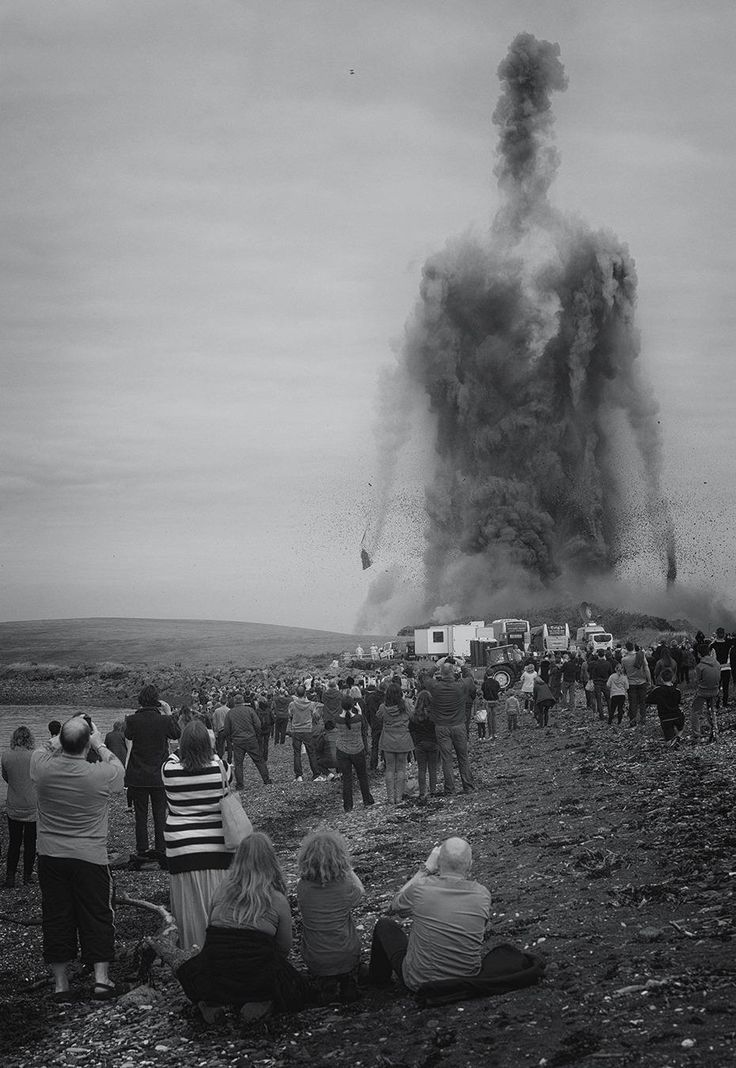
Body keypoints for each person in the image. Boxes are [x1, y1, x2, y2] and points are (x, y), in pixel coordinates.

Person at [170, 832, 313, 1023]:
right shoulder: (277, 899)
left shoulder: (222, 889)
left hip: (217, 970)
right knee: (296, 986)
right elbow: (284, 947)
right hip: (254, 973)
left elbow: (210, 930)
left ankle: (213, 1003)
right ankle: (258, 1001)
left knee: (195, 973)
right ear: (271, 860)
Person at [30, 716, 125, 1000]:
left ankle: (61, 984)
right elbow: (119, 769)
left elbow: (43, 749)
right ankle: (101, 979)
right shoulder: (100, 774)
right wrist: (99, 743)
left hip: (51, 855)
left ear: (62, 742)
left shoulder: (41, 768)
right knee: (97, 914)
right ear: (87, 745)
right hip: (89, 856)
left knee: (56, 915)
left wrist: (63, 735)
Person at [367, 837, 491, 991]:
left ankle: (377, 984)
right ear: (470, 865)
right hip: (466, 979)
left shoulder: (421, 888)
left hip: (422, 983)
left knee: (385, 925)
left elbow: (394, 907)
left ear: (438, 864)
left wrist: (424, 869)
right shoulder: (482, 895)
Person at [162, 720, 233, 951]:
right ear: (208, 745)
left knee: (189, 907)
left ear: (182, 745)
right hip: (218, 846)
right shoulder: (221, 769)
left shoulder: (169, 772)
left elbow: (172, 757)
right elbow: (218, 765)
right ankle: (221, 947)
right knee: (219, 903)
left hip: (181, 848)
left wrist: (182, 749)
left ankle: (193, 949)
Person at [296, 828, 365, 1002]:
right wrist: (348, 869)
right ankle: (347, 980)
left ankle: (327, 983)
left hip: (316, 958)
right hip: (345, 953)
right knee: (346, 940)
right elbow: (361, 891)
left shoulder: (302, 888)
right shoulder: (344, 886)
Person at [125, 684, 180, 867]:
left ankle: (142, 849)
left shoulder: (132, 719)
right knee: (159, 813)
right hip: (158, 773)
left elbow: (129, 736)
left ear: (140, 700)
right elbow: (176, 734)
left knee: (140, 815)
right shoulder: (163, 721)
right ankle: (161, 848)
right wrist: (168, 713)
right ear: (157, 700)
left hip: (138, 774)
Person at [421, 663, 475, 795]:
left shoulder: (435, 687)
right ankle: (467, 786)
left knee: (447, 759)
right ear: (453, 672)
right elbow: (470, 677)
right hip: (459, 725)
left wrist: (435, 665)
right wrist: (462, 665)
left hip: (441, 726)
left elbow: (425, 677)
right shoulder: (460, 686)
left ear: (441, 673)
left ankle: (450, 789)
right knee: (463, 757)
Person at [2, 726, 37, 888]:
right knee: (30, 843)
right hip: (32, 805)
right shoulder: (35, 756)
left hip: (14, 805)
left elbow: (6, 776)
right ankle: (27, 876)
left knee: (14, 842)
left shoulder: (6, 756)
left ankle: (10, 876)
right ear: (30, 739)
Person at [335, 696, 374, 811]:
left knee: (347, 779)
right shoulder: (358, 718)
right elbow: (363, 726)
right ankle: (366, 799)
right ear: (353, 706)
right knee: (362, 776)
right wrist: (360, 710)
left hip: (342, 750)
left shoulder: (336, 719)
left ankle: (348, 805)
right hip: (358, 749)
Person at [225, 694, 271, 788]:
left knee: (238, 763)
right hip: (250, 739)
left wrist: (230, 739)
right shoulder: (249, 710)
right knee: (259, 760)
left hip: (238, 741)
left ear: (234, 702)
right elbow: (258, 724)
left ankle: (240, 784)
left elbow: (227, 729)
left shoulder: (230, 713)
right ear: (242, 701)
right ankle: (266, 780)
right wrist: (257, 735)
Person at [378, 683, 413, 805]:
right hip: (403, 739)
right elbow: (412, 716)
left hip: (388, 740)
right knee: (401, 768)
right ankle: (399, 797)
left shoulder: (383, 707)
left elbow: (378, 716)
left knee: (390, 769)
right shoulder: (406, 706)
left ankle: (390, 798)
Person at [287, 685, 321, 782]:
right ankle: (316, 774)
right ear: (305, 693)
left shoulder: (292, 705)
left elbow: (290, 715)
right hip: (307, 729)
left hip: (296, 730)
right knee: (311, 752)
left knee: (297, 753)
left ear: (296, 694)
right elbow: (317, 716)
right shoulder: (311, 705)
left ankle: (299, 776)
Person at [690, 646, 721, 744]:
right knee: (712, 711)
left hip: (703, 691)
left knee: (695, 712)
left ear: (699, 654)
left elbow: (698, 681)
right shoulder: (717, 663)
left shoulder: (700, 666)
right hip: (714, 691)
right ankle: (715, 732)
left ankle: (696, 736)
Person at [645, 668, 684, 745]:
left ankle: (671, 741)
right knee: (681, 728)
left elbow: (648, 700)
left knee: (668, 740)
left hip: (665, 717)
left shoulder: (657, 691)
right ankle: (678, 737)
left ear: (661, 679)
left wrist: (657, 701)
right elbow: (679, 702)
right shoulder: (677, 691)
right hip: (677, 715)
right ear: (672, 678)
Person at [621, 642, 651, 726]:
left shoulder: (624, 659)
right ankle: (643, 718)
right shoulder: (641, 656)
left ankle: (633, 720)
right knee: (642, 701)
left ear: (626, 649)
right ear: (634, 647)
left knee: (632, 702)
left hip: (631, 683)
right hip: (642, 682)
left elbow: (623, 672)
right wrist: (649, 680)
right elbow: (646, 669)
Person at [710, 628, 733, 708]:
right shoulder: (728, 643)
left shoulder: (713, 645)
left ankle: (717, 704)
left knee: (717, 687)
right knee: (726, 687)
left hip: (717, 669)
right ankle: (725, 703)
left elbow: (711, 657)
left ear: (716, 634)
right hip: (726, 668)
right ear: (724, 634)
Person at [480, 671, 501, 742]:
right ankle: (495, 733)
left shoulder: (484, 683)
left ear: (486, 675)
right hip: (495, 701)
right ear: (493, 674)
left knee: (489, 719)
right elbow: (498, 690)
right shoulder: (496, 682)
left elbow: (483, 691)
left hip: (487, 701)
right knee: (494, 718)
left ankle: (490, 735)